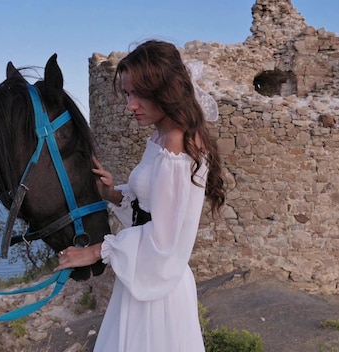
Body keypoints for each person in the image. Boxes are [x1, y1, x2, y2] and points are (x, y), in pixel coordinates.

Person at [54, 39, 226, 351]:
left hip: (159, 296)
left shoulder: (177, 146)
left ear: (166, 90)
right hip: (143, 283)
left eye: (139, 94)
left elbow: (164, 240)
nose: (130, 105)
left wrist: (96, 251)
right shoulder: (162, 138)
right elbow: (151, 206)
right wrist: (113, 194)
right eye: (129, 93)